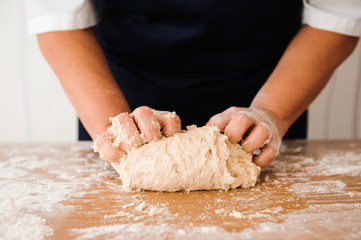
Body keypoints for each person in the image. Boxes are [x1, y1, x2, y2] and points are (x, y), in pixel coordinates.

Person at [25, 0, 360, 168]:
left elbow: (338, 13)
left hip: (269, 86)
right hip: (120, 89)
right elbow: (57, 16)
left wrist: (272, 111)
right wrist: (112, 128)